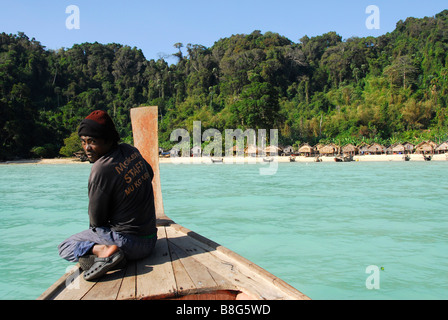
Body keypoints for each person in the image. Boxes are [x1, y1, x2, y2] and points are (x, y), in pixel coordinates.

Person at [58, 110, 157, 281]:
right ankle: (114, 256)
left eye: (92, 142)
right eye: (84, 142)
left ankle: (103, 251)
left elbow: (96, 222)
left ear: (108, 140)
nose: (87, 148)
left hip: (130, 245)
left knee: (65, 246)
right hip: (150, 239)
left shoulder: (100, 168)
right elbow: (150, 174)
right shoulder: (130, 150)